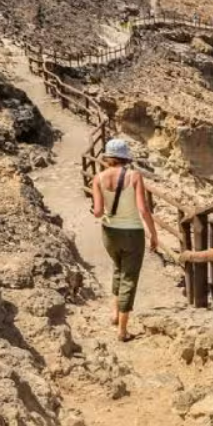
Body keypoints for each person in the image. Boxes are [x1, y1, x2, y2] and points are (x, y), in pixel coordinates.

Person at [91, 139, 159, 341]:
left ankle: (114, 313)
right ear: (125, 158)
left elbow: (97, 212)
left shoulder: (98, 178)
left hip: (109, 232)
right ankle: (122, 330)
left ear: (108, 157)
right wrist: (153, 233)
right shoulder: (134, 176)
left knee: (118, 268)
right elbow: (142, 208)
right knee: (129, 276)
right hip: (132, 233)